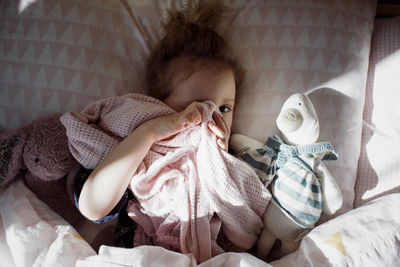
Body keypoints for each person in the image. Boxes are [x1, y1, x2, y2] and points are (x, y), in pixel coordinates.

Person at [77, 0, 243, 230]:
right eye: (197, 106)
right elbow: (92, 207)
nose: (211, 118)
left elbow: (246, 227)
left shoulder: (238, 162)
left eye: (224, 109)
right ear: (159, 105)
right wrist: (150, 132)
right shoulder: (140, 156)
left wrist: (221, 165)